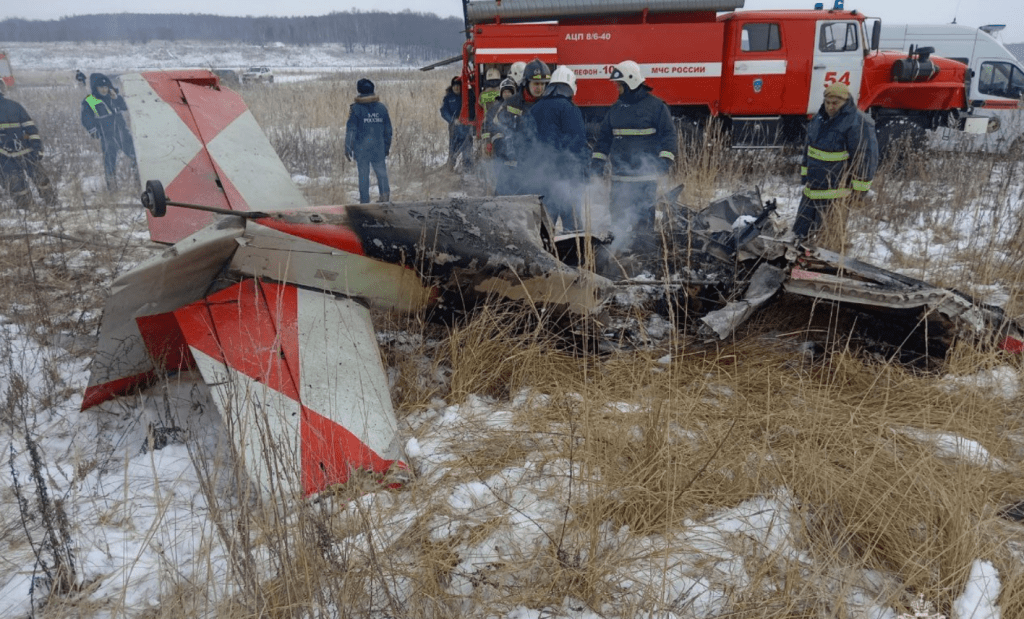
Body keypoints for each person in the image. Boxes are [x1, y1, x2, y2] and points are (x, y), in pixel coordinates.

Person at [591, 60, 677, 244]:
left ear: (631, 81)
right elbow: (604, 140)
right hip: (619, 180)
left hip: (644, 181)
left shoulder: (656, 107)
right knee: (617, 223)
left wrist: (664, 162)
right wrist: (597, 163)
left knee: (644, 226)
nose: (617, 89)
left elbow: (669, 136)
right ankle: (619, 257)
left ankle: (644, 261)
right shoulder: (616, 109)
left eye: (619, 85)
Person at [792, 82, 878, 240]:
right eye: (828, 103)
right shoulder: (819, 118)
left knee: (827, 241)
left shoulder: (858, 123)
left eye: (835, 103)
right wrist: (805, 178)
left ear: (846, 102)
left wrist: (859, 191)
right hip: (811, 191)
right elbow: (808, 149)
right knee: (798, 236)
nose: (831, 107)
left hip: (836, 194)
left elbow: (865, 157)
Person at [523, 66, 589, 229]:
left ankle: (541, 251)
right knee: (571, 221)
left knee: (543, 223)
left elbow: (526, 142)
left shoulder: (535, 109)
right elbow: (578, 143)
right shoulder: (569, 108)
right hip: (565, 175)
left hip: (540, 175)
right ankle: (575, 251)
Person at [490, 58, 550, 195]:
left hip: (539, 169)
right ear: (526, 82)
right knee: (501, 205)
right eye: (536, 83)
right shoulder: (511, 103)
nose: (539, 88)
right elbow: (496, 128)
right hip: (512, 167)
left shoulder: (548, 105)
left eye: (543, 84)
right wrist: (504, 150)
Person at [0, 80, 57, 208]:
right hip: (27, 152)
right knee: (40, 178)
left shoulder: (14, 106)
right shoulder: (15, 106)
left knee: (15, 183)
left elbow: (30, 128)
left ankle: (26, 207)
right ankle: (51, 203)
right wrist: (37, 148)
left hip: (5, 156)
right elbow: (31, 129)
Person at [81, 73, 138, 190]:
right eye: (101, 87)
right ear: (95, 88)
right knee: (110, 164)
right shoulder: (89, 101)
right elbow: (86, 118)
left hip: (122, 132)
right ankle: (113, 190)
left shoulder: (114, 97)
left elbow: (125, 107)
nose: (104, 89)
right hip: (107, 135)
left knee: (135, 156)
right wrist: (93, 131)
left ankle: (139, 185)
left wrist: (116, 98)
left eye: (106, 87)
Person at [345, 77, 392, 204]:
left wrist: (348, 148)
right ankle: (385, 198)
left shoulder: (355, 109)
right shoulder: (382, 108)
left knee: (363, 175)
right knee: (382, 174)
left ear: (359, 90)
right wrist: (386, 147)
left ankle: (365, 202)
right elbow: (388, 130)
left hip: (361, 149)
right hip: (378, 147)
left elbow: (351, 130)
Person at [440, 76, 475, 171]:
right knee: (453, 148)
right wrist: (453, 120)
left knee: (467, 148)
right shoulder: (448, 98)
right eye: (454, 86)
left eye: (458, 86)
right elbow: (444, 112)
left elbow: (474, 107)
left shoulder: (468, 96)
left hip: (467, 127)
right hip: (454, 128)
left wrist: (471, 119)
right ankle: (450, 167)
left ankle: (468, 168)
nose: (456, 88)